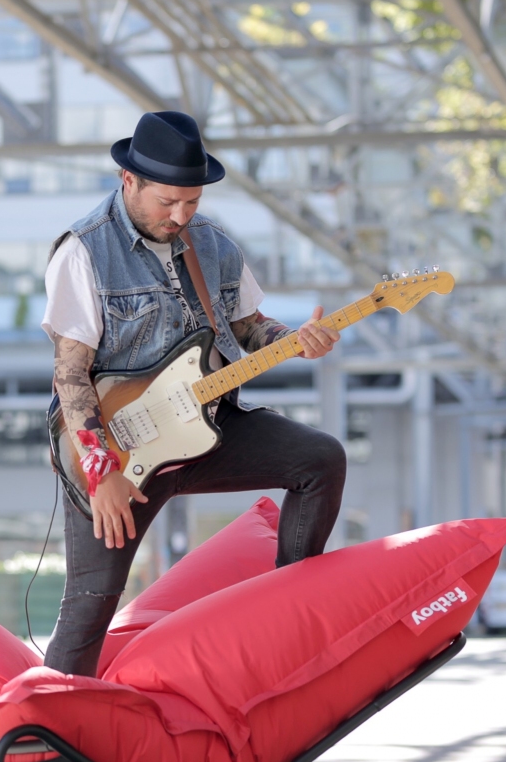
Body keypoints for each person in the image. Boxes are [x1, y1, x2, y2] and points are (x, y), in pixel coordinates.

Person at [41, 111, 347, 676]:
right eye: (167, 203)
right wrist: (100, 469)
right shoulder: (83, 251)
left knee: (321, 458)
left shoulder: (215, 246)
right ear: (127, 180)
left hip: (207, 425)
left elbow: (252, 328)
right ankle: (41, 746)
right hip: (116, 454)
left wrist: (297, 340)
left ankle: (287, 611)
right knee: (88, 612)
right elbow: (70, 375)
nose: (180, 216)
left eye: (192, 202)